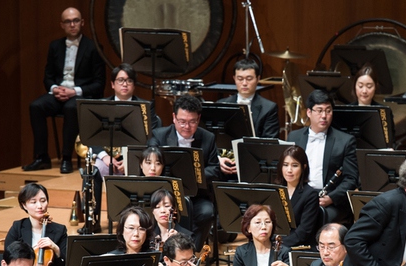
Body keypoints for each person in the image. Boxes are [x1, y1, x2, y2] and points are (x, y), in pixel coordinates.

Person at [23, 7, 106, 174]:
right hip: (59, 93)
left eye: (76, 20)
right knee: (35, 106)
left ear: (82, 23)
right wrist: (54, 89)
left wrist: (74, 91)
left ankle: (67, 158)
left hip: (80, 95)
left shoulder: (93, 47)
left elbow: (99, 83)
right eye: (68, 21)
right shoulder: (55, 46)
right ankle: (42, 157)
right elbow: (47, 77)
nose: (72, 24)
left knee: (71, 108)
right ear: (62, 25)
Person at [148, 95, 220, 248]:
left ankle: (190, 250)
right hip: (165, 196)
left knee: (207, 212)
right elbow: (150, 158)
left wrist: (192, 177)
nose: (187, 126)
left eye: (192, 122)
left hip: (196, 195)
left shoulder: (208, 138)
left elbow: (214, 169)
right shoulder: (159, 136)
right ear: (174, 117)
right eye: (182, 121)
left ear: (198, 119)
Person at [289, 90, 360, 225]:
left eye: (328, 111)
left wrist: (331, 198)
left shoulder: (345, 141)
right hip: (299, 196)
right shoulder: (294, 137)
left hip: (328, 200)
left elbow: (351, 179)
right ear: (309, 112)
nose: (324, 116)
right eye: (319, 111)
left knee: (315, 218)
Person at [92, 63, 162, 177]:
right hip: (108, 158)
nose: (125, 84)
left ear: (134, 85)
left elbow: (152, 136)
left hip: (137, 157)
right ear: (112, 84)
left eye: (129, 81)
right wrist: (105, 156)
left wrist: (132, 159)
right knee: (97, 168)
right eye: (120, 80)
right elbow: (92, 134)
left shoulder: (147, 107)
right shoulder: (101, 106)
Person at [4, 183, 68, 266]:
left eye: (43, 200)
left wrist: (56, 249)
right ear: (24, 205)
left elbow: (67, 265)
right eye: (33, 202)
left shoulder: (60, 230)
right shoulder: (17, 227)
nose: (40, 206)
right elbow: (8, 257)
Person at [218, 57, 279, 139]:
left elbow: (270, 140)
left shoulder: (268, 108)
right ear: (234, 79)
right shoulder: (222, 104)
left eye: (249, 79)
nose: (244, 83)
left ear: (258, 79)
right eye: (240, 79)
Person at [276, 145, 322, 248]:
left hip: (296, 246)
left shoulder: (310, 195)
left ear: (303, 167)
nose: (289, 170)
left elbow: (303, 232)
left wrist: (277, 245)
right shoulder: (276, 190)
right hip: (275, 243)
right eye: (285, 165)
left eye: (295, 165)